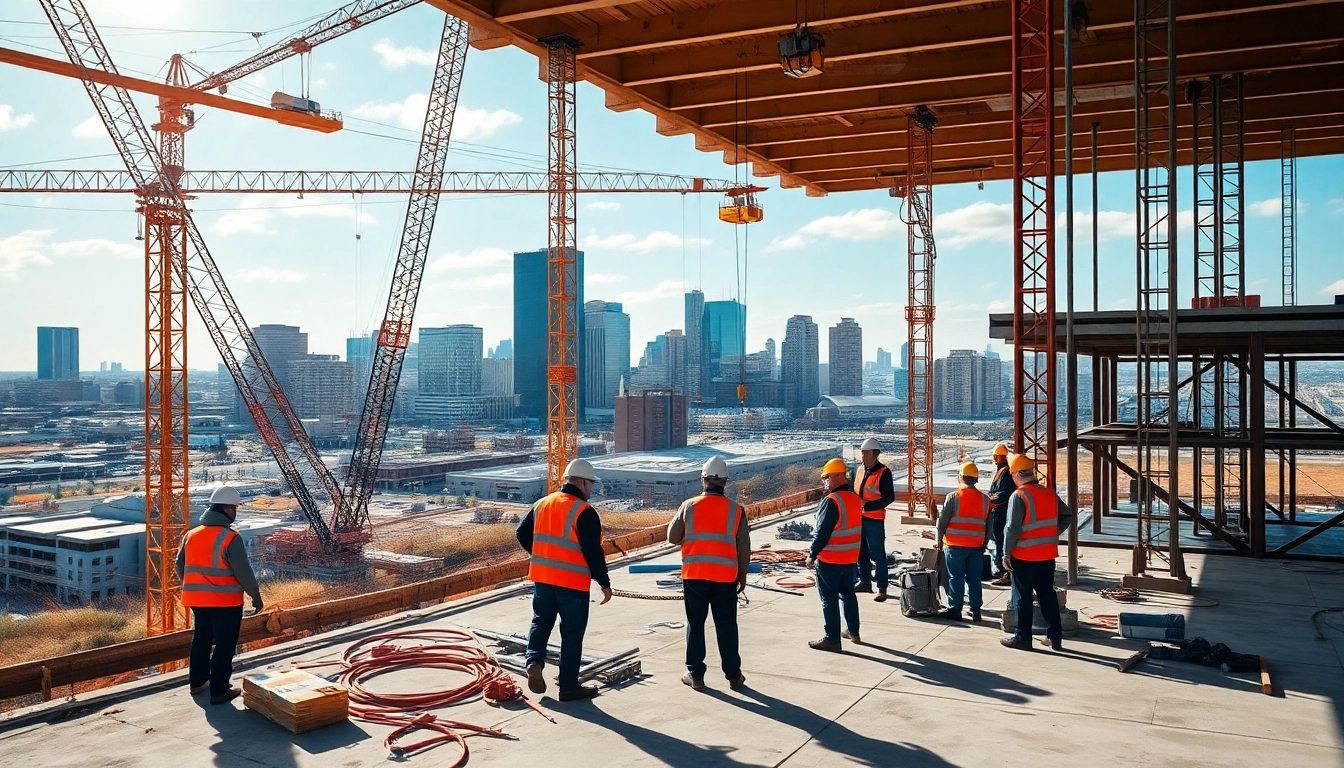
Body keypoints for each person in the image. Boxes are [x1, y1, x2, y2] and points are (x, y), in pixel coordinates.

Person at [515, 459, 613, 701]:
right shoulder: (583, 511)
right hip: (572, 583)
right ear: (581, 482)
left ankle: (533, 661)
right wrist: (604, 582)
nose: (592, 489)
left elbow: (521, 533)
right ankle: (568, 687)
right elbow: (593, 551)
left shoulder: (542, 503)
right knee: (571, 633)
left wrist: (542, 555)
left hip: (543, 579)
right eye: (591, 484)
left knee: (541, 621)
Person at [667, 456, 750, 691]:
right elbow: (743, 546)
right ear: (725, 482)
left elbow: (672, 537)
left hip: (694, 576)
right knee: (727, 626)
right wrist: (742, 575)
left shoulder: (688, 506)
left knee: (695, 625)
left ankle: (695, 675)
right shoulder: (736, 510)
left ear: (703, 479)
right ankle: (734, 676)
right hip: (725, 578)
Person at [175, 485, 263, 705]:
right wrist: (255, 595)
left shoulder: (191, 535)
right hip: (226, 602)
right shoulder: (230, 538)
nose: (235, 512)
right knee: (225, 645)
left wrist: (191, 585)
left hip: (197, 601)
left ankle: (197, 683)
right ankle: (219, 690)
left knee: (201, 640)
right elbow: (243, 571)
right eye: (235, 508)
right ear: (227, 509)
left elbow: (179, 565)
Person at [1000, 455, 1074, 651]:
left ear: (1016, 474)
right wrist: (1051, 533)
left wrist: (1006, 553)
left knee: (1022, 597)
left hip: (1023, 555)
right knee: (1047, 595)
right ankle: (1055, 637)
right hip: (1046, 554)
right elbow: (1067, 515)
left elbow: (1012, 528)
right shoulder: (1049, 493)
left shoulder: (1019, 496)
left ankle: (1023, 637)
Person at [806, 458, 863, 652]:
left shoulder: (831, 501)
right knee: (848, 594)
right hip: (850, 559)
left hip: (830, 560)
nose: (825, 482)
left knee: (829, 599)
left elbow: (822, 533)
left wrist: (812, 554)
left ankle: (832, 639)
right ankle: (853, 632)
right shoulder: (855, 499)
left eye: (827, 478)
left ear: (838, 476)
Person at [933, 462, 990, 622]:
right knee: (974, 579)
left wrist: (939, 539)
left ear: (960, 477)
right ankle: (976, 611)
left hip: (955, 546)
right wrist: (985, 543)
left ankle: (955, 610)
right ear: (976, 479)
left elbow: (942, 521)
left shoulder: (953, 497)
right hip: (976, 547)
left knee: (956, 578)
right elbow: (989, 525)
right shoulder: (985, 500)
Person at [852, 437, 895, 601]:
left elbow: (889, 497)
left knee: (877, 554)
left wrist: (868, 506)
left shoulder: (884, 473)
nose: (862, 455)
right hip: (859, 518)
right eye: (862, 452)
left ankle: (882, 587)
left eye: (865, 452)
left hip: (874, 520)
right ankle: (865, 581)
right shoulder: (860, 469)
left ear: (874, 454)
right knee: (861, 552)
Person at [987, 444, 1017, 585]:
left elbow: (1003, 494)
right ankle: (1000, 566)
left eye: (996, 456)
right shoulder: (1001, 471)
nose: (994, 458)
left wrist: (990, 500)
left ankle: (1004, 568)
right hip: (997, 511)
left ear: (1003, 457)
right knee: (997, 540)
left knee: (1000, 540)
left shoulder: (1006, 473)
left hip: (1001, 511)